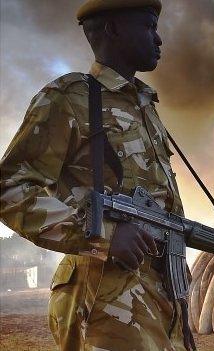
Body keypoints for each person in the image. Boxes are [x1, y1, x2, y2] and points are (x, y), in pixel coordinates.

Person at [0, 0, 195, 349]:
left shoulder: (144, 106)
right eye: (150, 26)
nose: (159, 39)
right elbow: (9, 187)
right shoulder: (70, 98)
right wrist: (102, 234)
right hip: (104, 300)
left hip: (158, 295)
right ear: (114, 29)